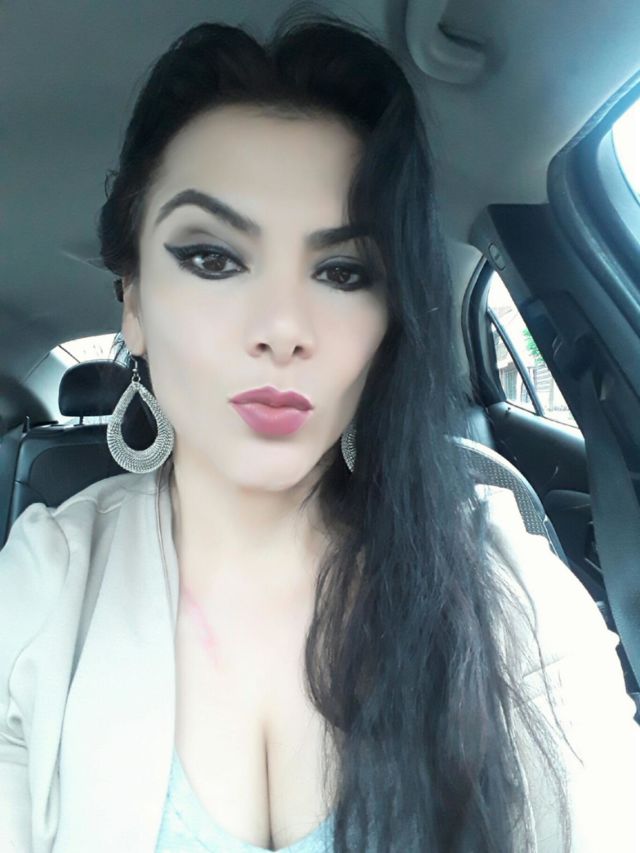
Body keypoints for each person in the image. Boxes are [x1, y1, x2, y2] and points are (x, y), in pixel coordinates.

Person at [1, 9, 638, 853]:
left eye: (342, 271)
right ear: (134, 303)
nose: (282, 327)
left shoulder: (512, 595)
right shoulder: (38, 591)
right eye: (213, 258)